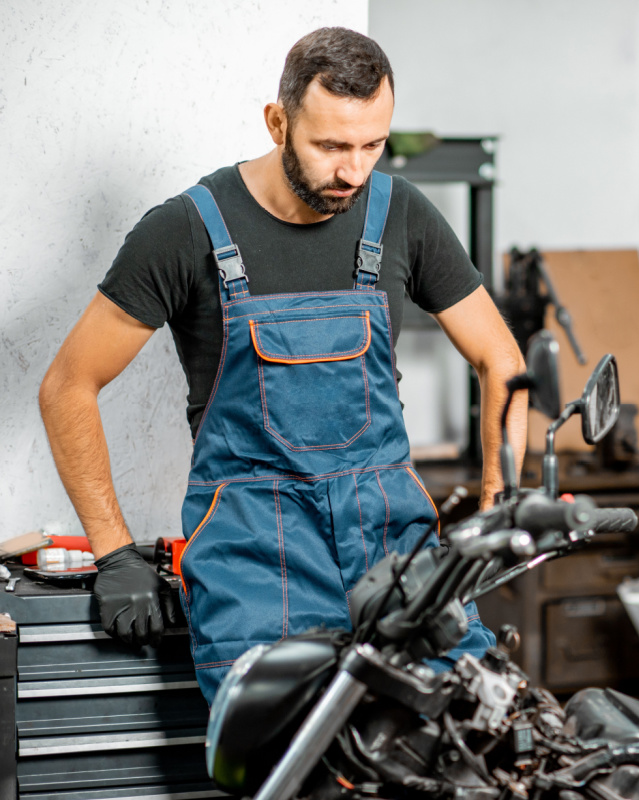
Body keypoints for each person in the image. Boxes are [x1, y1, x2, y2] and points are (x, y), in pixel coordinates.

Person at [38, 27, 525, 702]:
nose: (353, 171)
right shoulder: (187, 230)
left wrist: (499, 509)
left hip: (392, 550)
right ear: (278, 122)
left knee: (460, 738)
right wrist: (114, 551)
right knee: (288, 766)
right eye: (330, 146)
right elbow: (68, 386)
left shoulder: (401, 214)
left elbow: (501, 359)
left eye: (372, 145)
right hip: (254, 568)